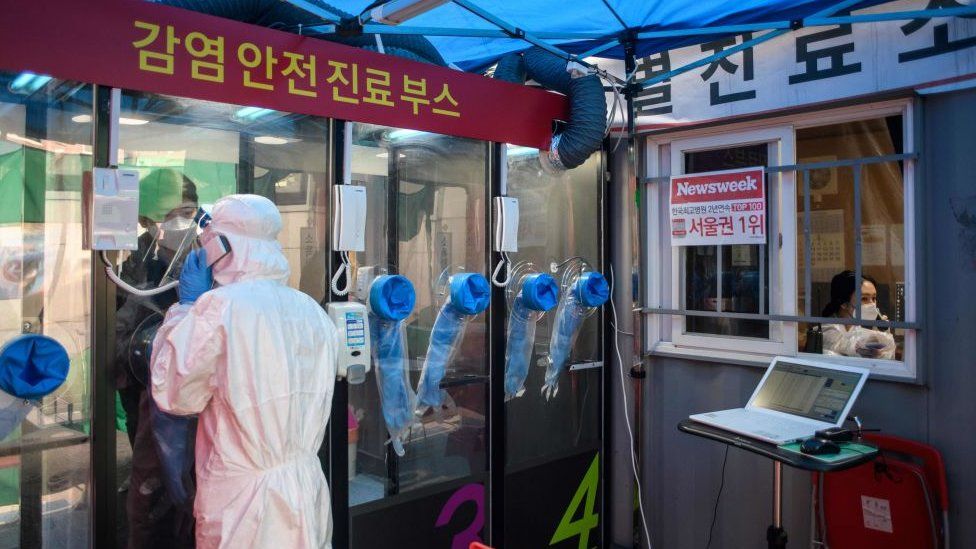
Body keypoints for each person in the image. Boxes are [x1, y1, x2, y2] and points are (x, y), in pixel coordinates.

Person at [150, 194, 339, 549]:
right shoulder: (311, 310)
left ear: (220, 247)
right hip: (306, 486)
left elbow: (175, 393)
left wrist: (186, 308)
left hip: (243, 503)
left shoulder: (218, 309)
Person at [114, 169, 199, 548]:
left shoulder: (206, 254)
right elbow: (115, 328)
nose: (185, 222)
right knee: (151, 479)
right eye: (173, 214)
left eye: (191, 211)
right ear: (148, 220)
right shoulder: (132, 259)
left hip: (194, 390)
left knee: (192, 482)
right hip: (146, 385)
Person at [820, 270, 896, 359]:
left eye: (874, 298)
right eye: (864, 298)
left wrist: (882, 330)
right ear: (844, 303)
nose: (872, 304)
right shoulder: (827, 329)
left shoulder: (857, 327)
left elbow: (889, 357)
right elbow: (848, 346)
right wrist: (865, 347)